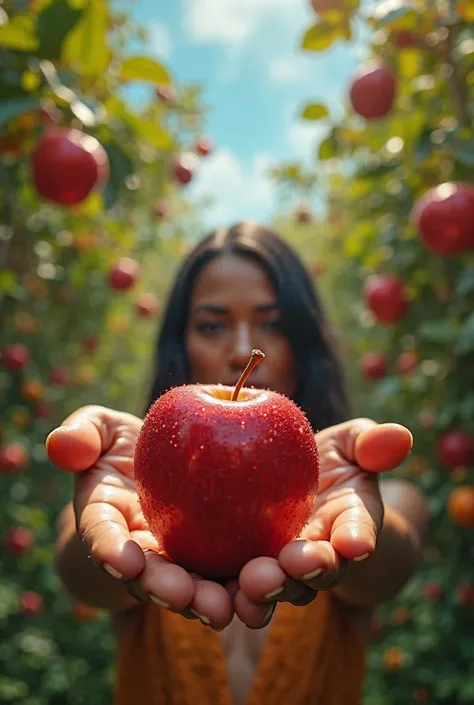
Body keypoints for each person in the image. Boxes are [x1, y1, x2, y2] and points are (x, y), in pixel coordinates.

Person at [47, 222, 428, 705]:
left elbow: (389, 563)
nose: (241, 348)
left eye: (274, 324)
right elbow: (82, 569)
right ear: (180, 342)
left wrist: (362, 524)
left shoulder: (369, 495)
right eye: (212, 325)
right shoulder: (136, 488)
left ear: (304, 341)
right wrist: (102, 538)